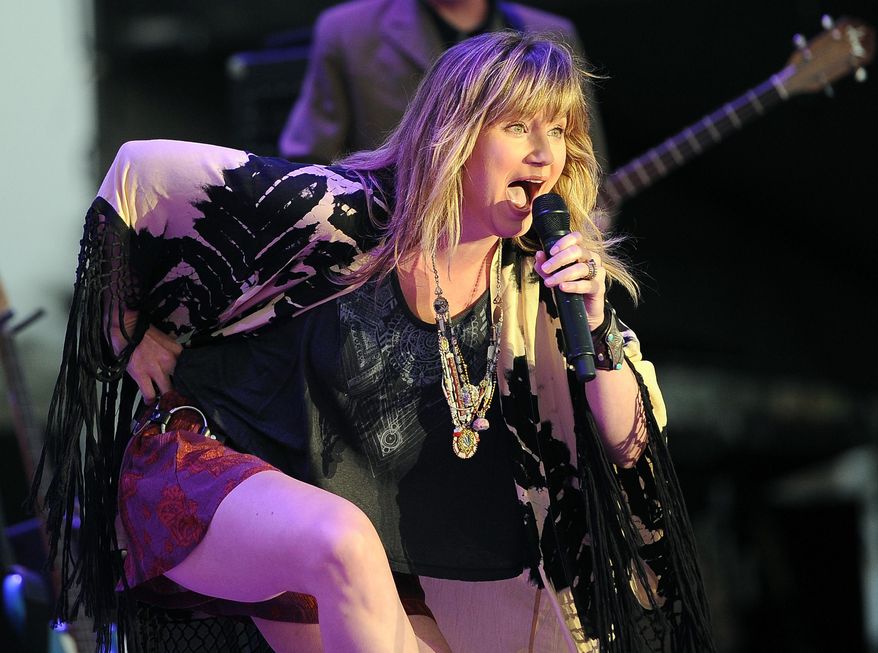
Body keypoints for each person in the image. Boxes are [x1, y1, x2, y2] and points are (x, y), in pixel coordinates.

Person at [33, 31, 714, 652]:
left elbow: (628, 444)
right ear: (456, 135)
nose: (544, 151)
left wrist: (593, 323)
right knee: (346, 544)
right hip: (205, 469)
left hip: (337, 525)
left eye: (559, 130)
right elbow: (137, 171)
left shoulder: (536, 284)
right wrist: (121, 328)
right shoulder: (348, 215)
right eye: (517, 126)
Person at [277, 0, 609, 166]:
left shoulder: (550, 32)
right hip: (389, 249)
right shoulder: (347, 30)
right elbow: (308, 160)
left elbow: (585, 157)